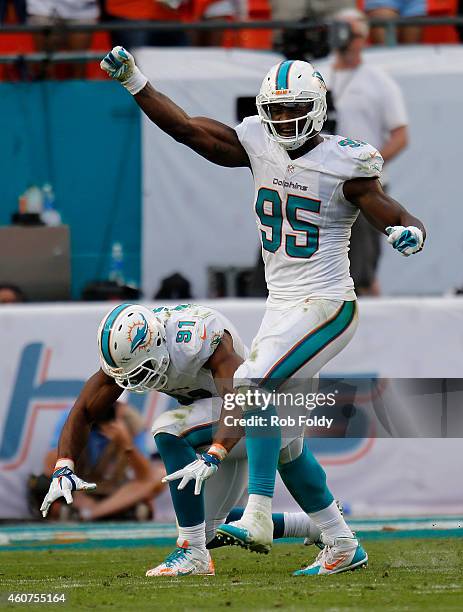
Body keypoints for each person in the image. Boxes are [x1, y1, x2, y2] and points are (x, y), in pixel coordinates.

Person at [99, 49, 426, 576]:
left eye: (294, 109)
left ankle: (256, 513)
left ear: (318, 107)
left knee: (251, 383)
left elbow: (382, 204)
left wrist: (405, 228)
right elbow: (187, 130)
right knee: (285, 438)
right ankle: (342, 545)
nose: (283, 120)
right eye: (274, 111)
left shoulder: (347, 157)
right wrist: (136, 81)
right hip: (282, 306)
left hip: (326, 303)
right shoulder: (257, 141)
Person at [40, 302, 340, 576]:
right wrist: (63, 466)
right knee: (204, 527)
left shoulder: (198, 337)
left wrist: (216, 452)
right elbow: (83, 411)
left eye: (139, 371)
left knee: (168, 427)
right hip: (223, 415)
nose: (136, 383)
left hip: (257, 408)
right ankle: (310, 525)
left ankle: (191, 552)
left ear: (157, 343)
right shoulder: (131, 353)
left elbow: (240, 398)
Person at [325, 8, 409, 295]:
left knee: (361, 266)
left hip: (362, 183)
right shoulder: (318, 73)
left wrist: (370, 164)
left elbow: (400, 135)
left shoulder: (379, 81)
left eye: (348, 31)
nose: (342, 38)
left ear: (362, 37)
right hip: (320, 180)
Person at [42, 400, 164, 521]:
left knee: (160, 475)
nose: (104, 410)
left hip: (116, 490)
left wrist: (126, 444)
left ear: (123, 407)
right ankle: (104, 511)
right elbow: (50, 465)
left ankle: (89, 514)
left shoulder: (132, 423)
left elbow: (145, 476)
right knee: (45, 483)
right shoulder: (73, 416)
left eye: (112, 405)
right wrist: (76, 432)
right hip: (79, 487)